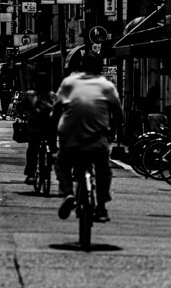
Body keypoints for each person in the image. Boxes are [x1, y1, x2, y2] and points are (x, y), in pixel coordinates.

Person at [55, 52, 124, 223]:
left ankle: (68, 193)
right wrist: (113, 130)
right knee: (103, 171)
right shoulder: (106, 86)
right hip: (96, 139)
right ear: (100, 67)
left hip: (70, 137)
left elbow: (56, 110)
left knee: (62, 163)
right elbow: (119, 115)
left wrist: (54, 132)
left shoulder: (69, 83)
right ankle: (101, 207)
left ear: (80, 67)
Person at [17, 89, 55, 185]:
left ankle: (31, 175)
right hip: (50, 129)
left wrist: (22, 115)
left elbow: (22, 108)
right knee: (53, 148)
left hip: (35, 128)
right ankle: (51, 165)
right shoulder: (53, 96)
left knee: (32, 149)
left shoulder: (30, 95)